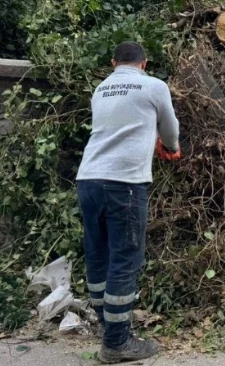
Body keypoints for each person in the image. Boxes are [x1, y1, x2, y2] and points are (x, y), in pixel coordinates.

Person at [76, 41, 181, 363]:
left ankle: (108, 329)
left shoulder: (101, 89)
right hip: (125, 183)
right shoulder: (153, 85)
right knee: (125, 258)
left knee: (98, 253)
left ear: (113, 63)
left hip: (89, 178)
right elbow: (170, 127)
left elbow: (120, 127)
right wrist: (171, 146)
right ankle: (117, 344)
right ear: (144, 64)